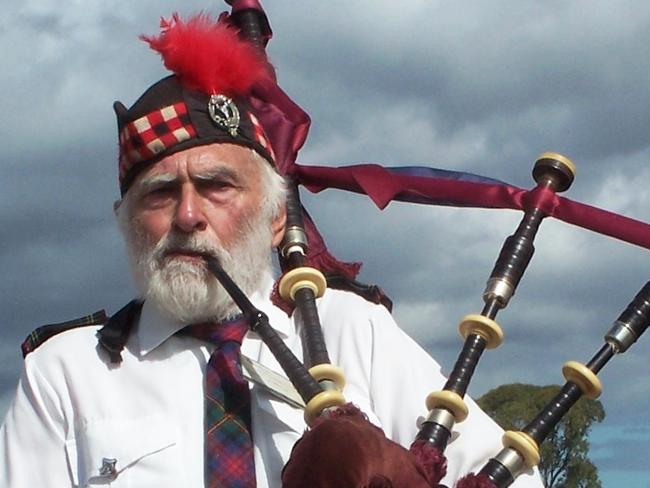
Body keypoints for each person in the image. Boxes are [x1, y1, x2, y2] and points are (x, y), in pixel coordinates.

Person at [0, 13, 544, 488]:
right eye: (160, 193)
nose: (188, 216)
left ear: (277, 214)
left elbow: (517, 475)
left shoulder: (354, 331)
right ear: (124, 222)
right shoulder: (66, 371)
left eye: (218, 186)